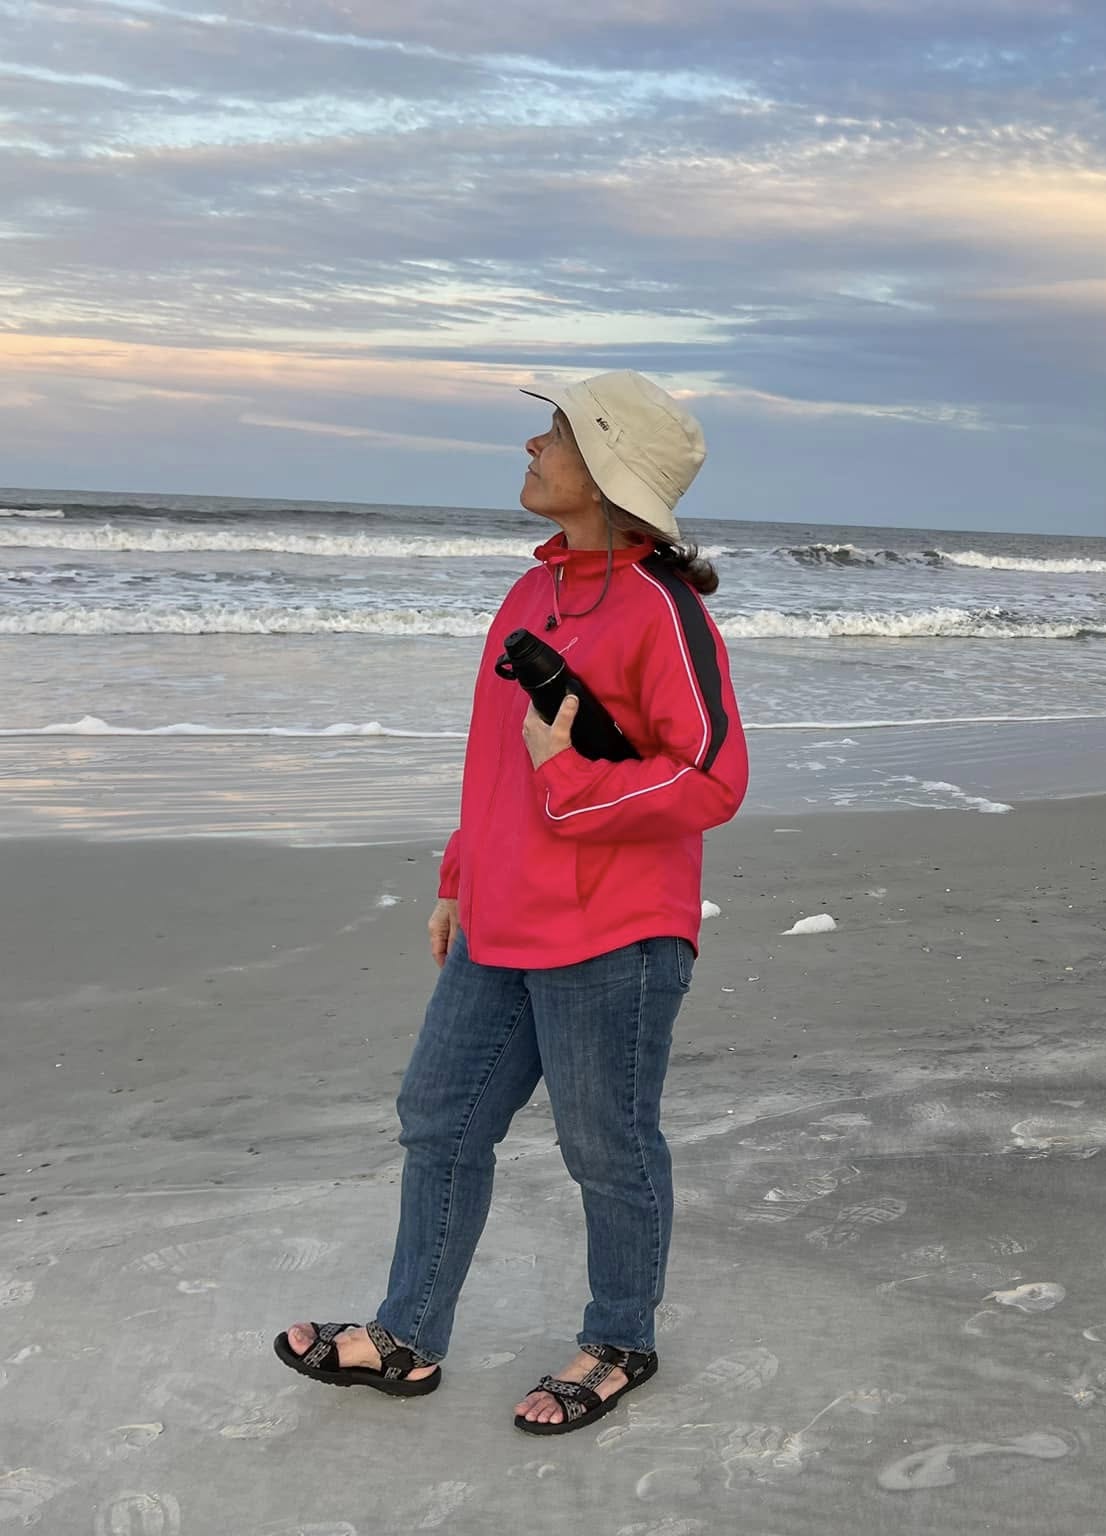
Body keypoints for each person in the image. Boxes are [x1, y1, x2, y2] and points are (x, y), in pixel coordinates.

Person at [273, 371, 748, 1435]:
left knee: (606, 1149)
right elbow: (495, 763)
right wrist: (459, 878)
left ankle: (620, 1339)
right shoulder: (531, 592)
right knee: (439, 1119)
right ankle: (407, 1337)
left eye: (555, 435)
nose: (530, 448)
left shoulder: (662, 613)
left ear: (609, 473)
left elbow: (712, 777)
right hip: (501, 920)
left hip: (613, 935)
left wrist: (573, 782)